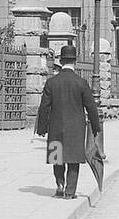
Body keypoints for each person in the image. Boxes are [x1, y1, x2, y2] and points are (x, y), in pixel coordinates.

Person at [35, 44, 102, 200]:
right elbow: (91, 106)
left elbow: (44, 107)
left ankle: (59, 184)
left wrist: (42, 128)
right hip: (76, 128)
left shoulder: (52, 82)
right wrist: (96, 127)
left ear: (61, 60)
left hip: (56, 126)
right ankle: (70, 192)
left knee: (57, 158)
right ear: (75, 61)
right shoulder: (81, 82)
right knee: (73, 159)